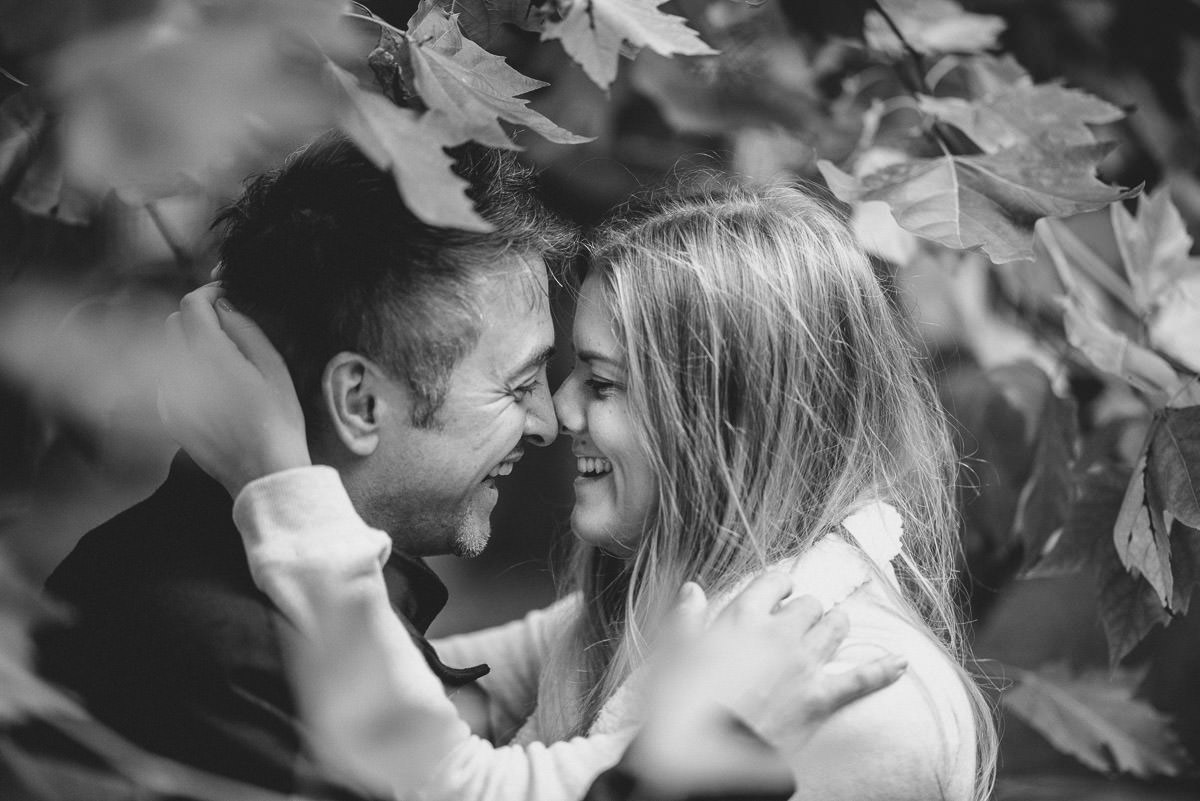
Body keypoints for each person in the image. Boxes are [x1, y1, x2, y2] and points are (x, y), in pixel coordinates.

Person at [35, 133, 902, 800]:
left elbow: (551, 652)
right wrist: (718, 728)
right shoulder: (224, 652)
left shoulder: (245, 588)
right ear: (362, 405)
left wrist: (824, 567)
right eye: (522, 381)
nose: (547, 419)